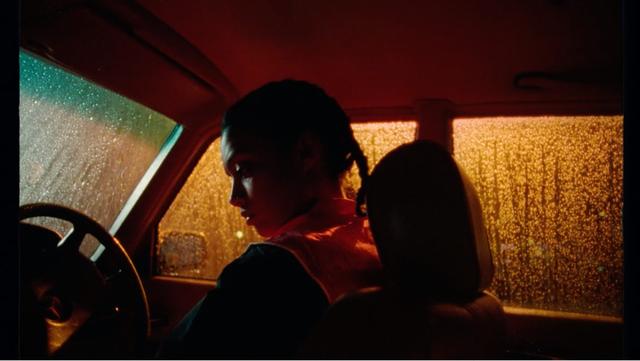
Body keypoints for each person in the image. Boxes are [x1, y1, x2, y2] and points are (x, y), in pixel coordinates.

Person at [158, 79, 382, 358]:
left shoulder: (267, 271)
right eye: (232, 176)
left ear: (306, 153)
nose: (234, 197)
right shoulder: (376, 241)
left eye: (245, 169)